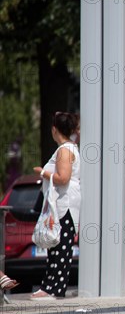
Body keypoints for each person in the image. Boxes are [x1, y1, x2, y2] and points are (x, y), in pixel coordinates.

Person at [31, 111, 81, 300]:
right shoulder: (70, 148)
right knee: (57, 245)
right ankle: (51, 286)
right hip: (65, 204)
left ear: (54, 130)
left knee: (60, 247)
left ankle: (54, 288)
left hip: (64, 204)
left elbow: (63, 178)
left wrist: (43, 172)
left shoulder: (64, 150)